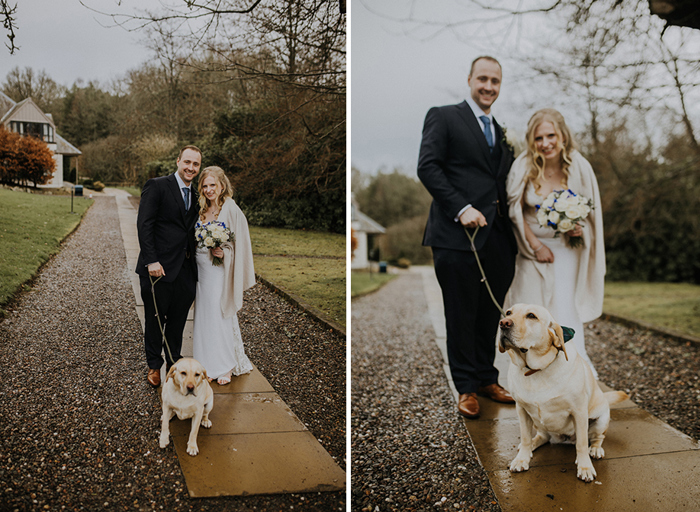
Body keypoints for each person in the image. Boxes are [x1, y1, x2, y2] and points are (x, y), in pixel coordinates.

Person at [417, 56, 518, 419]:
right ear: (470, 80)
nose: (489, 86)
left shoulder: (502, 133)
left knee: (490, 314)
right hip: (456, 237)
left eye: (495, 81)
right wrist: (462, 208)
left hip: (498, 240)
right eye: (483, 79)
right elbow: (427, 166)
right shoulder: (443, 116)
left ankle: (487, 378)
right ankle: (465, 388)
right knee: (460, 314)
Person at [504, 108, 605, 377]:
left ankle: (571, 374)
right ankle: (528, 376)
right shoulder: (523, 166)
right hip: (530, 251)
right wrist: (536, 246)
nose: (545, 143)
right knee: (528, 314)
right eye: (539, 138)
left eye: (551, 135)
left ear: (562, 136)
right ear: (531, 140)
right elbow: (513, 211)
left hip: (567, 253)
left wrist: (577, 228)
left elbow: (590, 214)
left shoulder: (579, 165)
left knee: (565, 310)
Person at [136, 145, 202, 387]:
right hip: (158, 269)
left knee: (178, 321)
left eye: (195, 164)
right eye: (187, 162)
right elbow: (145, 225)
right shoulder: (157, 186)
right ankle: (154, 366)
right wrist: (151, 260)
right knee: (155, 320)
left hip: (185, 271)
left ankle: (174, 363)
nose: (191, 168)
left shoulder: (197, 196)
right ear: (178, 161)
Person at [192, 166, 256, 385]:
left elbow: (240, 244)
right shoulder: (201, 209)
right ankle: (206, 365)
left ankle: (226, 366)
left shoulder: (231, 208)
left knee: (220, 316)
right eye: (205, 186)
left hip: (218, 271)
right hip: (200, 271)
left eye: (213, 185)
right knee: (203, 317)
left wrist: (223, 251)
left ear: (222, 186)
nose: (209, 190)